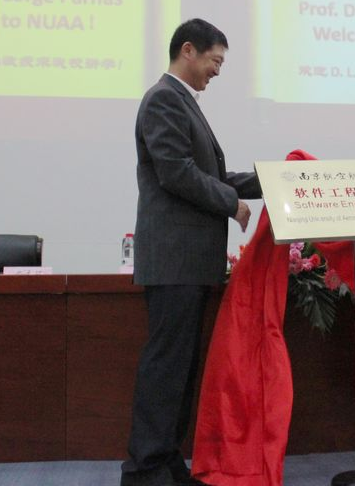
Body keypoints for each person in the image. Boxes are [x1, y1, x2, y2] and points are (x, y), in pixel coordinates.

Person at [121, 18, 262, 486]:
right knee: (166, 366)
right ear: (188, 50)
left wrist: (277, 181)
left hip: (191, 262)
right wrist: (231, 204)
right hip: (175, 260)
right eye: (215, 61)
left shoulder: (183, 101)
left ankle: (166, 462)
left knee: (181, 368)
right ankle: (144, 469)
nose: (217, 71)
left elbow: (212, 175)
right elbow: (177, 173)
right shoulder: (164, 99)